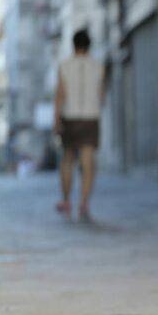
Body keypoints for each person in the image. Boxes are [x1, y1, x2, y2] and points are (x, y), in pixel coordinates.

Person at [53, 29, 106, 221]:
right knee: (88, 159)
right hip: (91, 117)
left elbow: (60, 95)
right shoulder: (98, 67)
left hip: (70, 117)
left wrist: (56, 119)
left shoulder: (65, 66)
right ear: (89, 45)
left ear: (73, 45)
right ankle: (84, 202)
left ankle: (66, 200)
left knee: (67, 158)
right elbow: (102, 96)